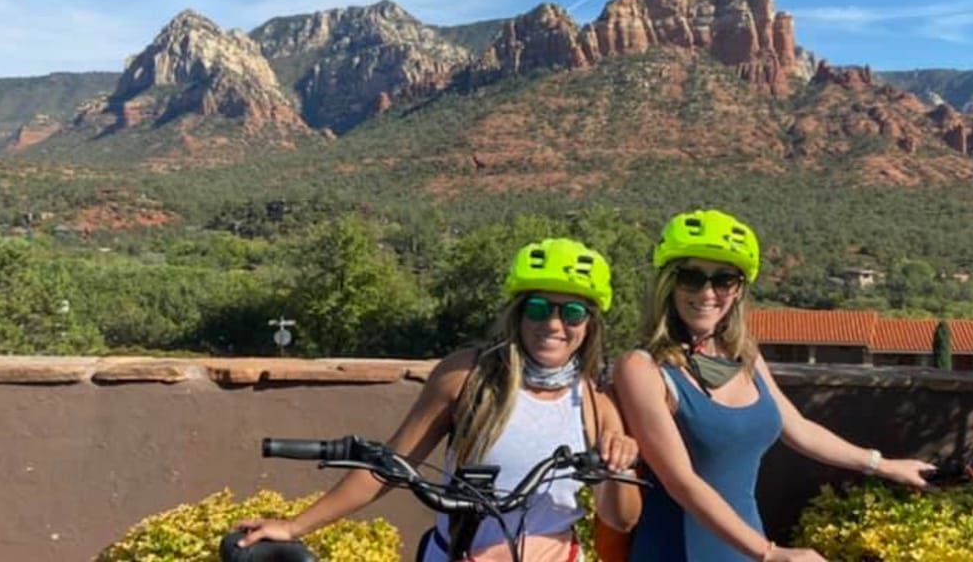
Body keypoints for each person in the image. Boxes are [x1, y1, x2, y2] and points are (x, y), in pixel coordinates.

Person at [235, 238, 642, 562]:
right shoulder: (468, 376)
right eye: (537, 308)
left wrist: (615, 468)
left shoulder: (594, 400)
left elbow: (620, 518)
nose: (553, 324)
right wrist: (295, 527)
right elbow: (389, 466)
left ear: (589, 325)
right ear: (517, 314)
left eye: (572, 313)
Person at [613, 210, 934, 562]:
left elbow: (796, 429)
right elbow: (681, 482)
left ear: (737, 290)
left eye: (724, 280)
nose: (708, 293)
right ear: (669, 284)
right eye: (692, 278)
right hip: (680, 550)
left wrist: (885, 465)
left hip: (745, 545)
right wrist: (771, 553)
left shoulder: (743, 355)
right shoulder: (642, 368)